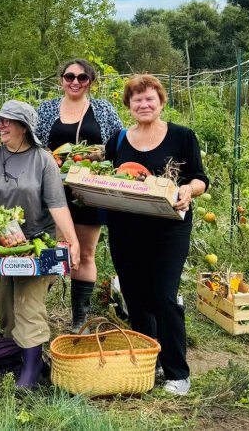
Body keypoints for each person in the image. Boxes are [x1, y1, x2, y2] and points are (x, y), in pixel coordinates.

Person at [0, 100, 80, 387]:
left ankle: (31, 370)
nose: (0, 126)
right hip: (0, 245)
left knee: (28, 303)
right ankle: (20, 359)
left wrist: (72, 242)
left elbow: (57, 205)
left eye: (7, 121)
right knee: (3, 303)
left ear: (24, 127)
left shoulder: (43, 160)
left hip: (39, 245)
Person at [104, 75, 208, 396]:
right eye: (137, 100)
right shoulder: (118, 140)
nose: (144, 104)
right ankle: (152, 360)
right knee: (135, 298)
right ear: (129, 106)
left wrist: (188, 190)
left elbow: (200, 179)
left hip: (168, 229)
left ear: (161, 102)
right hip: (125, 229)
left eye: (150, 99)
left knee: (164, 295)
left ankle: (178, 372)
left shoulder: (181, 136)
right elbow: (108, 179)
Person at [34, 59, 124, 333]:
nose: (75, 81)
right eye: (69, 76)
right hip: (52, 190)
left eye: (82, 77)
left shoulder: (103, 109)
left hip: (88, 192)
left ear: (91, 81)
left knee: (85, 253)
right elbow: (34, 144)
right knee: (51, 251)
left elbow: (118, 142)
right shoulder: (47, 108)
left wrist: (99, 161)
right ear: (61, 79)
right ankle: (33, 313)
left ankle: (79, 320)